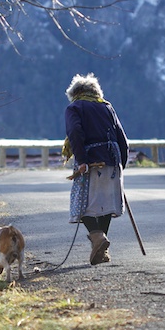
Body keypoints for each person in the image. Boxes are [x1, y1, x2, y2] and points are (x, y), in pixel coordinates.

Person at [62, 73, 129, 265]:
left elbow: (75, 131)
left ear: (75, 93)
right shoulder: (106, 106)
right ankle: (100, 250)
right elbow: (122, 137)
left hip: (90, 162)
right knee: (106, 204)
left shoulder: (74, 107)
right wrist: (121, 163)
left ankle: (98, 239)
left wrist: (81, 160)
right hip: (112, 160)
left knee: (82, 205)